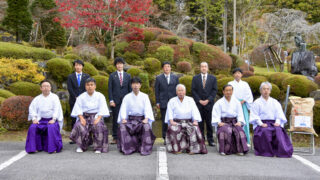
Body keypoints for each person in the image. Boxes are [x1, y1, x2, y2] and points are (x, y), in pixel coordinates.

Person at [250, 82, 293, 158]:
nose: (266, 91)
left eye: (267, 89)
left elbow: (279, 114)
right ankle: (266, 151)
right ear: (260, 91)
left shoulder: (275, 102)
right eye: (264, 89)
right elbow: (254, 115)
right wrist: (260, 124)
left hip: (273, 123)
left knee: (278, 130)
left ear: (270, 91)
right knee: (265, 131)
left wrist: (277, 122)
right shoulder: (256, 102)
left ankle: (279, 151)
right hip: (262, 123)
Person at [70, 78, 110, 153]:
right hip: (84, 116)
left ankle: (98, 147)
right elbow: (77, 108)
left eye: (91, 85)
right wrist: (81, 118)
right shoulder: (81, 97)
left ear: (95, 86)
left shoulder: (100, 96)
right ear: (85, 86)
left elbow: (103, 108)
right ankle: (81, 146)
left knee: (99, 125)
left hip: (96, 116)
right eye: (88, 85)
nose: (90, 87)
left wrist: (98, 118)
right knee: (79, 125)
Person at [117, 77, 156, 155]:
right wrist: (123, 118)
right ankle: (127, 148)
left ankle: (145, 148)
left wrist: (146, 118)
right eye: (134, 84)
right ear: (131, 85)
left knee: (146, 126)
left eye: (137, 84)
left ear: (140, 85)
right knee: (122, 127)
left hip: (141, 119)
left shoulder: (145, 96)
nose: (135, 86)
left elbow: (147, 108)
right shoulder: (127, 97)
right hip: (130, 120)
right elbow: (123, 108)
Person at [165, 84, 207, 154]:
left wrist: (195, 121)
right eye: (179, 90)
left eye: (182, 90)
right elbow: (169, 112)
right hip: (177, 122)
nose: (180, 92)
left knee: (194, 128)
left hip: (188, 121)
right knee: (172, 129)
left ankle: (193, 149)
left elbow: (194, 110)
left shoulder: (190, 100)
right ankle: (176, 149)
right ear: (176, 92)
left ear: (185, 92)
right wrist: (171, 121)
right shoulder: (172, 101)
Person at [25, 80, 63, 154]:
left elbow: (57, 109)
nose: (46, 88)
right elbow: (32, 109)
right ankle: (34, 147)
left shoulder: (55, 97)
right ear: (41, 88)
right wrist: (34, 119)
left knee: (51, 127)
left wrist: (54, 119)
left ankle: (53, 148)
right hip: (41, 119)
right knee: (33, 127)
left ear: (50, 88)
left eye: (47, 86)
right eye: (44, 86)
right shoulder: (37, 99)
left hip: (51, 120)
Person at [212, 84, 249, 156]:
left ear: (232, 91)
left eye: (230, 90)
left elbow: (240, 114)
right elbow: (216, 114)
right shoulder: (219, 103)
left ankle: (240, 150)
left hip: (234, 122)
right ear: (223, 92)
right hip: (224, 122)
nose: (228, 92)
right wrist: (219, 122)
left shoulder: (237, 102)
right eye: (226, 90)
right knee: (226, 131)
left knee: (239, 131)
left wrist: (240, 122)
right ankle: (224, 150)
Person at [191, 62, 217, 146]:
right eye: (202, 66)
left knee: (209, 122)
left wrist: (208, 100)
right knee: (200, 122)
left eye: (205, 66)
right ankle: (201, 138)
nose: (203, 68)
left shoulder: (213, 78)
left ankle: (210, 139)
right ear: (200, 68)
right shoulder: (195, 78)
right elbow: (193, 90)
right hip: (199, 104)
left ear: (208, 68)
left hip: (209, 104)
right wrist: (199, 100)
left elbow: (214, 90)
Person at [155, 61, 179, 144]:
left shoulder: (175, 78)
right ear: (163, 68)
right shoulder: (159, 78)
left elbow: (178, 90)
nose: (167, 68)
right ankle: (165, 137)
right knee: (165, 121)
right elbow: (156, 91)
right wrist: (157, 102)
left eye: (168, 66)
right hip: (163, 102)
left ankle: (174, 136)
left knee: (174, 119)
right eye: (165, 66)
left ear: (170, 68)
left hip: (173, 102)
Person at [108, 57, 132, 144]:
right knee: (115, 119)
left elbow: (130, 89)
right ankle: (115, 137)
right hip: (115, 101)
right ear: (116, 65)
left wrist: (130, 101)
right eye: (118, 64)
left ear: (123, 65)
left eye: (121, 63)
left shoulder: (128, 75)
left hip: (125, 101)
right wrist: (111, 100)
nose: (119, 65)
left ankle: (126, 135)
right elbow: (110, 89)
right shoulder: (112, 75)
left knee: (126, 118)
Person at [228, 68, 253, 146]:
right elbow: (228, 93)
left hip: (243, 104)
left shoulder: (245, 84)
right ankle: (235, 140)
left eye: (239, 73)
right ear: (233, 75)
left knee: (244, 121)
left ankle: (245, 140)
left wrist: (244, 100)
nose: (237, 74)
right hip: (233, 105)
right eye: (235, 73)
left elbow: (249, 94)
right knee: (234, 121)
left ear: (241, 75)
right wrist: (236, 102)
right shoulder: (230, 83)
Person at [67, 59, 90, 144]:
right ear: (74, 66)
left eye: (80, 65)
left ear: (82, 66)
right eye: (76, 65)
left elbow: (88, 87)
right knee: (74, 118)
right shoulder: (70, 76)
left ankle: (85, 135)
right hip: (73, 100)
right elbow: (69, 88)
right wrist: (75, 97)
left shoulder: (87, 76)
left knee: (84, 117)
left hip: (84, 101)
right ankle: (74, 137)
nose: (78, 67)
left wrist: (82, 98)